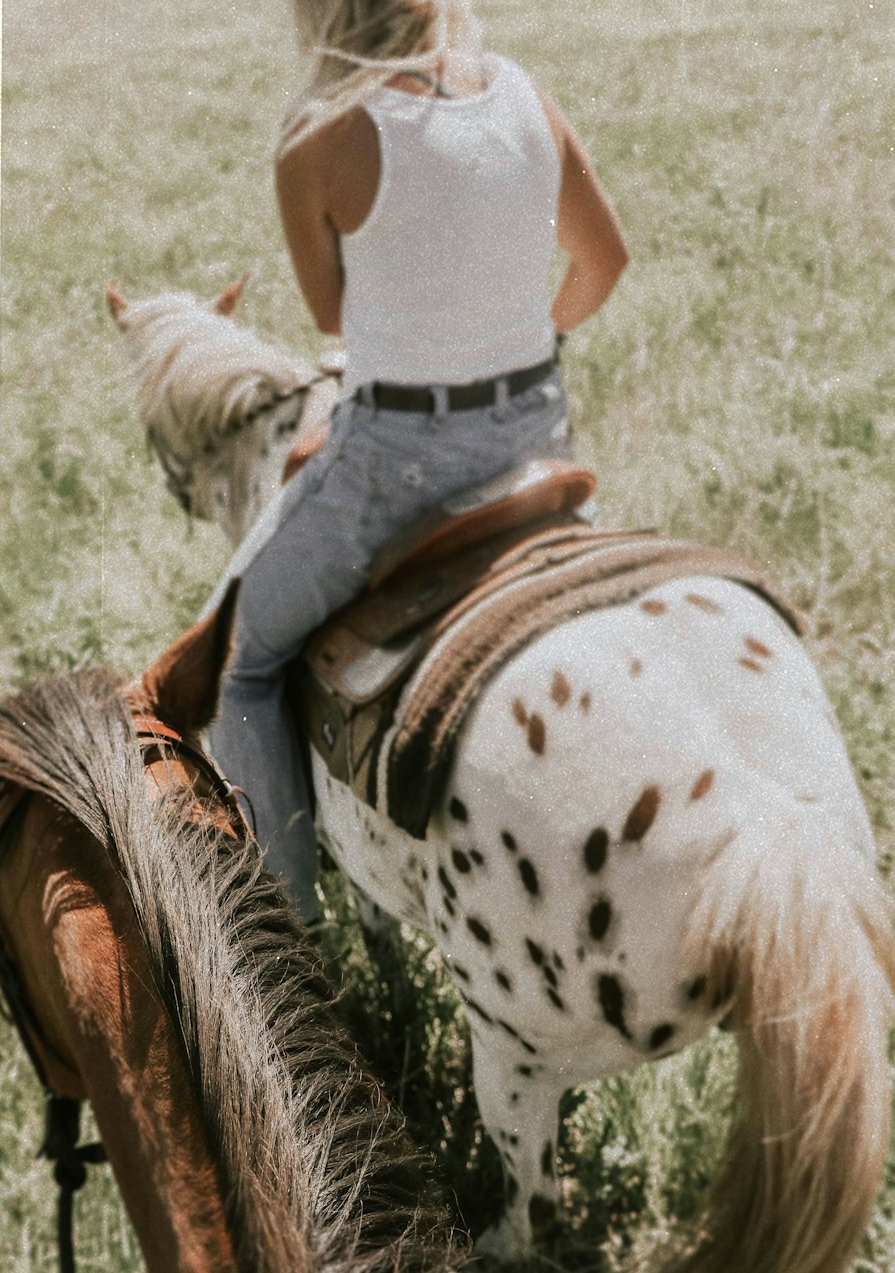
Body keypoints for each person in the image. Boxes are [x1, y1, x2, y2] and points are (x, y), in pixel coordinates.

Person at [208, 0, 628, 922]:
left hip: (392, 463)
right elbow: (603, 261)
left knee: (235, 659)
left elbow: (332, 316)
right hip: (534, 439)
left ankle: (286, 935)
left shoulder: (316, 139)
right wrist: (513, 347)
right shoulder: (523, 93)